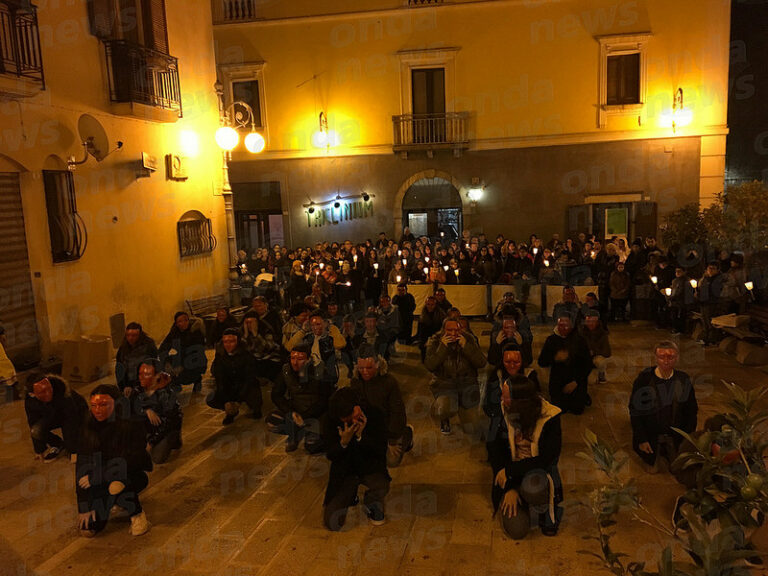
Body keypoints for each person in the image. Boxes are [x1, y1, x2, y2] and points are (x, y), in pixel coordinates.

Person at [486, 375, 563, 539]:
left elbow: (546, 459)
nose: (501, 399)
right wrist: (510, 488)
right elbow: (494, 451)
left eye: (505, 396)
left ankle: (540, 505)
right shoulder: (501, 412)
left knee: (532, 489)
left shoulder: (550, 417)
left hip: (536, 472)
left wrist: (510, 471)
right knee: (517, 530)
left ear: (519, 402)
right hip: (509, 476)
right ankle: (520, 498)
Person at [76, 384, 152, 537]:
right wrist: (83, 506)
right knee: (88, 529)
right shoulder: (88, 425)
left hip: (129, 475)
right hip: (99, 478)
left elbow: (134, 460)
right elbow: (82, 464)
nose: (97, 409)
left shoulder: (131, 423)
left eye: (103, 405)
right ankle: (115, 501)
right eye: (94, 405)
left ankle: (137, 515)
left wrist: (100, 476)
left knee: (116, 486)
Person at [322, 387, 390, 530]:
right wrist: (343, 443)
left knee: (381, 484)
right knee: (332, 523)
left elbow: (380, 450)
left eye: (354, 412)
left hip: (369, 468)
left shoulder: (375, 414)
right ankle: (350, 495)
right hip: (346, 472)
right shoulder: (329, 421)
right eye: (348, 418)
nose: (354, 419)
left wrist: (360, 437)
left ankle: (372, 502)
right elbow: (331, 454)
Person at [628, 341, 697, 473]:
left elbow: (691, 411)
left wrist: (687, 439)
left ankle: (669, 448)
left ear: (676, 358)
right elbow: (635, 411)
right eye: (661, 357)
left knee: (678, 470)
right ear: (656, 358)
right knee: (653, 470)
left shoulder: (683, 380)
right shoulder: (644, 379)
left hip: (675, 435)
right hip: (650, 434)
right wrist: (641, 438)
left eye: (670, 357)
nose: (666, 361)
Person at [349, 345, 413, 468]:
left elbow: (397, 412)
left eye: (369, 367)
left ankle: (406, 434)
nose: (365, 372)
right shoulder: (355, 382)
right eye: (361, 368)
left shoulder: (389, 382)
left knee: (391, 462)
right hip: (369, 428)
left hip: (388, 427)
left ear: (378, 365)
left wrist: (392, 439)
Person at [425, 318, 487, 435]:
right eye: (449, 330)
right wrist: (442, 348)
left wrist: (466, 347)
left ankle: (461, 407)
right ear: (443, 330)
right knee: (443, 409)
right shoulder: (435, 341)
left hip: (466, 386)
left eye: (456, 330)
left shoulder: (468, 339)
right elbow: (430, 365)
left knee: (472, 429)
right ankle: (445, 417)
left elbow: (482, 363)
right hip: (445, 386)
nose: (453, 333)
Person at [268, 343, 332, 453]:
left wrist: (305, 416)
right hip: (296, 410)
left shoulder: (320, 371)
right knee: (272, 420)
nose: (295, 362)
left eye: (300, 359)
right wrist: (291, 412)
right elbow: (276, 395)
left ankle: (307, 432)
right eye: (293, 358)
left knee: (312, 446)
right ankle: (297, 431)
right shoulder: (286, 370)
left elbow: (324, 400)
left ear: (308, 360)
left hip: (316, 414)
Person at [24, 371, 88, 461]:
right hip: (53, 414)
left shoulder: (62, 391)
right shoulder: (30, 401)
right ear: (32, 394)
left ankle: (76, 446)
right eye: (42, 392)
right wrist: (39, 449)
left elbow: (71, 421)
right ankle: (58, 444)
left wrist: (73, 450)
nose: (48, 393)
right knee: (36, 430)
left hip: (77, 411)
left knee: (80, 434)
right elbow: (32, 421)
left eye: (49, 389)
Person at [537, 314, 593, 415]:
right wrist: (554, 358)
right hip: (558, 380)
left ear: (572, 326)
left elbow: (588, 365)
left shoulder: (580, 340)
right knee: (560, 409)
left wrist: (576, 382)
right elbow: (541, 362)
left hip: (576, 380)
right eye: (560, 325)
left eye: (566, 325)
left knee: (577, 410)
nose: (563, 328)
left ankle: (584, 396)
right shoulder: (551, 340)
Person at [208, 328, 262, 424]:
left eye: (231, 341)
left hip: (245, 384)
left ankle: (255, 408)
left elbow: (249, 377)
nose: (228, 345)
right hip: (230, 385)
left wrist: (239, 400)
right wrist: (226, 400)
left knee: (254, 397)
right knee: (212, 398)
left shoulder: (246, 354)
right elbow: (220, 377)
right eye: (225, 342)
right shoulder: (220, 355)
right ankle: (231, 413)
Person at [136, 360, 182, 464]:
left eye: (147, 374)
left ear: (157, 376)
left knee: (157, 458)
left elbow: (169, 422)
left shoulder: (166, 395)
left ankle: (174, 440)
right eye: (140, 374)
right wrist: (146, 410)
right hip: (149, 429)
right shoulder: (139, 389)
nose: (141, 377)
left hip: (165, 429)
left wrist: (151, 442)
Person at [286, 310, 346, 386]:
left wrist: (332, 327)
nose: (315, 328)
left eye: (318, 324)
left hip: (327, 375)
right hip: (310, 374)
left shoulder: (331, 337)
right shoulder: (308, 338)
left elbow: (340, 345)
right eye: (312, 325)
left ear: (325, 323)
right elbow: (289, 347)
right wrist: (303, 330)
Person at [158, 311, 207, 392]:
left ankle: (197, 379)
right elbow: (163, 348)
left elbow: (198, 352)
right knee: (165, 367)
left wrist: (183, 366)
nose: (184, 323)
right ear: (176, 323)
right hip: (181, 357)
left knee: (186, 374)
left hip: (195, 359)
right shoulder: (174, 332)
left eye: (186, 320)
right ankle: (175, 383)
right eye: (180, 321)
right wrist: (166, 362)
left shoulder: (195, 331)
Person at [115, 322, 158, 397]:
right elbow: (119, 368)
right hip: (130, 382)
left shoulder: (148, 345)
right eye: (128, 335)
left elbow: (154, 363)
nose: (130, 338)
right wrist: (124, 386)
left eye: (134, 335)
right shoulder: (123, 348)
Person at [578, 311, 611, 384]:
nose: (590, 324)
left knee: (601, 361)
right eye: (588, 321)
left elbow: (607, 352)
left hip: (595, 358)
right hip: (583, 358)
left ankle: (601, 374)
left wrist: (594, 352)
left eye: (593, 321)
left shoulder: (603, 334)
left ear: (597, 322)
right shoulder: (580, 333)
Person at [415, 296, 447, 363]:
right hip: (426, 338)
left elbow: (442, 330)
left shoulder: (441, 316)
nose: (430, 306)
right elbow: (420, 331)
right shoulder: (423, 316)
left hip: (437, 338)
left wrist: (433, 339)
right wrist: (422, 341)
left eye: (432, 305)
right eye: (428, 304)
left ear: (435, 305)